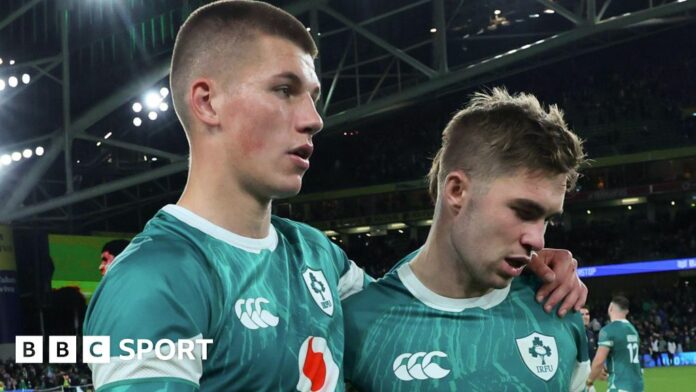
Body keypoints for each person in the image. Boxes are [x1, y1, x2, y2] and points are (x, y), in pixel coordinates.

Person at [84, 2, 587, 391]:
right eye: (284, 90)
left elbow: (416, 304)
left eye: (313, 96)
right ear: (207, 101)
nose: (313, 118)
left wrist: (539, 259)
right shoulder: (154, 281)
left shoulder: (318, 257)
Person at [343, 88, 590, 391]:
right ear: (457, 191)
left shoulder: (558, 311)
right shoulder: (358, 326)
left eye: (547, 219)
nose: (537, 240)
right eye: (523, 211)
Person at [586, 296, 644, 391]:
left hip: (619, 385)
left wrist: (589, 381)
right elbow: (622, 355)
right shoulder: (633, 330)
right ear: (626, 311)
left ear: (611, 308)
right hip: (637, 385)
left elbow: (599, 362)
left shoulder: (609, 330)